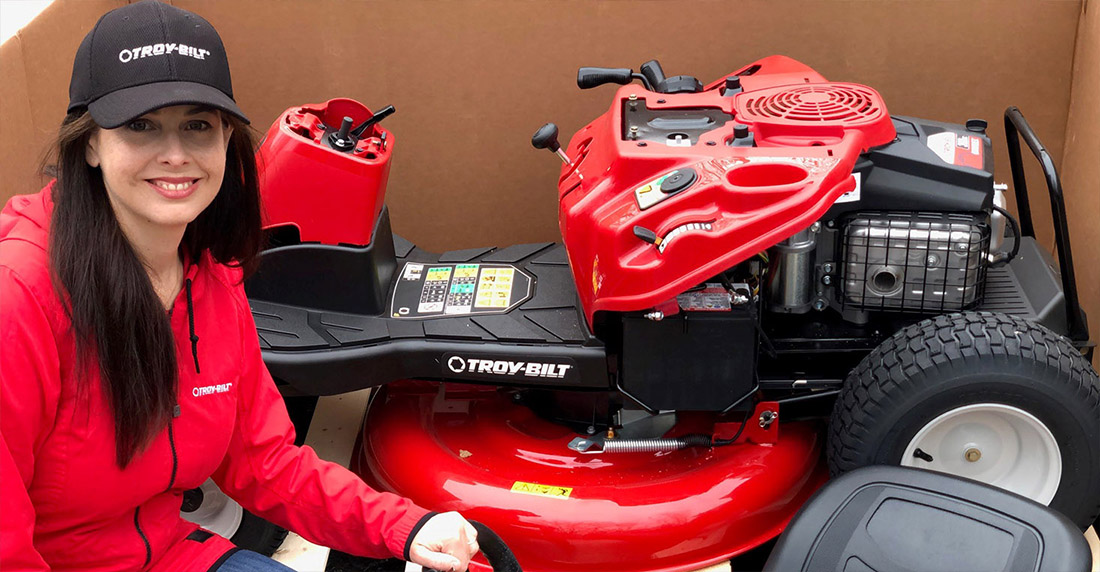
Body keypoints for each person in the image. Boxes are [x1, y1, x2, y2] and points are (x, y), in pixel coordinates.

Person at [0, 2, 479, 571]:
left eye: (197, 125)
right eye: (141, 124)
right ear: (89, 144)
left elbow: (264, 461)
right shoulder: (19, 298)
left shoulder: (210, 275)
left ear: (227, 139)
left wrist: (406, 525)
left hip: (172, 556)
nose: (175, 154)